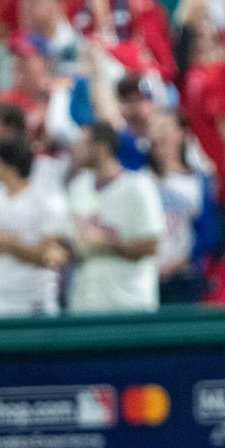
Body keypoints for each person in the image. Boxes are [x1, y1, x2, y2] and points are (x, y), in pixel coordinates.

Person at [0, 134, 70, 317]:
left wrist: (10, 246)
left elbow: (52, 256)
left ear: (7, 165)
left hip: (34, 303)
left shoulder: (45, 202)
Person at [65, 121, 166, 314]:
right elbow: (70, 243)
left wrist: (104, 243)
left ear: (102, 148)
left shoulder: (138, 186)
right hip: (85, 304)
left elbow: (151, 245)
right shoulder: (78, 185)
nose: (76, 148)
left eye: (83, 143)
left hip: (129, 305)